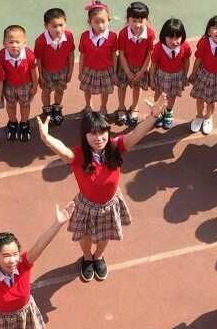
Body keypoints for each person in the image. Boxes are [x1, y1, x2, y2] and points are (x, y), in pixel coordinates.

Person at [37, 94, 166, 282]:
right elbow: (62, 150)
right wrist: (47, 138)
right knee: (85, 235)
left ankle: (98, 256)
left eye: (102, 132)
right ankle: (87, 257)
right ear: (85, 136)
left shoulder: (115, 147)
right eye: (93, 134)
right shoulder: (79, 156)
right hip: (86, 205)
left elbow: (137, 133)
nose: (98, 138)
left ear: (108, 131)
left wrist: (153, 116)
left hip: (109, 204)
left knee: (106, 235)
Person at [115, 2, 155, 126]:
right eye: (134, 20)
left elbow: (149, 55)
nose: (137, 24)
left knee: (137, 87)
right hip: (125, 66)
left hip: (141, 68)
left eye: (141, 20)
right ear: (128, 19)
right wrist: (127, 71)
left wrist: (142, 71)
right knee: (122, 86)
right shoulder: (123, 34)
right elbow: (121, 54)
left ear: (146, 19)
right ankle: (121, 107)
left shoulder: (150, 34)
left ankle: (134, 107)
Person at [0, 25, 38, 142]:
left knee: (25, 105)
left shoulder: (29, 55)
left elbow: (34, 72)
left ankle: (24, 123)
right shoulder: (1, 56)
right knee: (11, 105)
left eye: (18, 42)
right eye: (11, 42)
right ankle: (13, 122)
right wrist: (0, 92)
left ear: (24, 43)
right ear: (4, 43)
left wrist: (35, 86)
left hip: (25, 86)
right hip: (8, 86)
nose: (14, 45)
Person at [34, 7, 75, 126]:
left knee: (60, 90)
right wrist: (40, 76)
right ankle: (47, 109)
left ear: (65, 23)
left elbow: (71, 54)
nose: (58, 29)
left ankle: (57, 108)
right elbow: (38, 59)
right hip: (46, 72)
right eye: (54, 26)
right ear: (46, 26)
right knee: (46, 91)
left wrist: (70, 71)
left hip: (63, 70)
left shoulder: (69, 36)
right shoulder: (40, 41)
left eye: (61, 25)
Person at [149, 18, 191, 129]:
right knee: (159, 95)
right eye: (170, 37)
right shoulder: (158, 47)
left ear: (182, 36)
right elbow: (153, 65)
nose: (174, 41)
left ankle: (168, 112)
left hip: (177, 76)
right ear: (164, 36)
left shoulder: (185, 46)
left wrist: (185, 75)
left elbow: (186, 61)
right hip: (162, 75)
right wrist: (151, 80)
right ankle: (157, 112)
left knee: (172, 96)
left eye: (177, 37)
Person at [78, 0, 118, 116]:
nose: (100, 25)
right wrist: (80, 71)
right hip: (89, 69)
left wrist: (114, 72)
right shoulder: (84, 36)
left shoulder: (113, 36)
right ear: (89, 22)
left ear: (109, 20)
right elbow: (82, 55)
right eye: (96, 22)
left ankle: (103, 107)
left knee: (105, 90)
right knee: (87, 88)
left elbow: (114, 55)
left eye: (103, 21)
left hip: (106, 69)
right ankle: (88, 105)